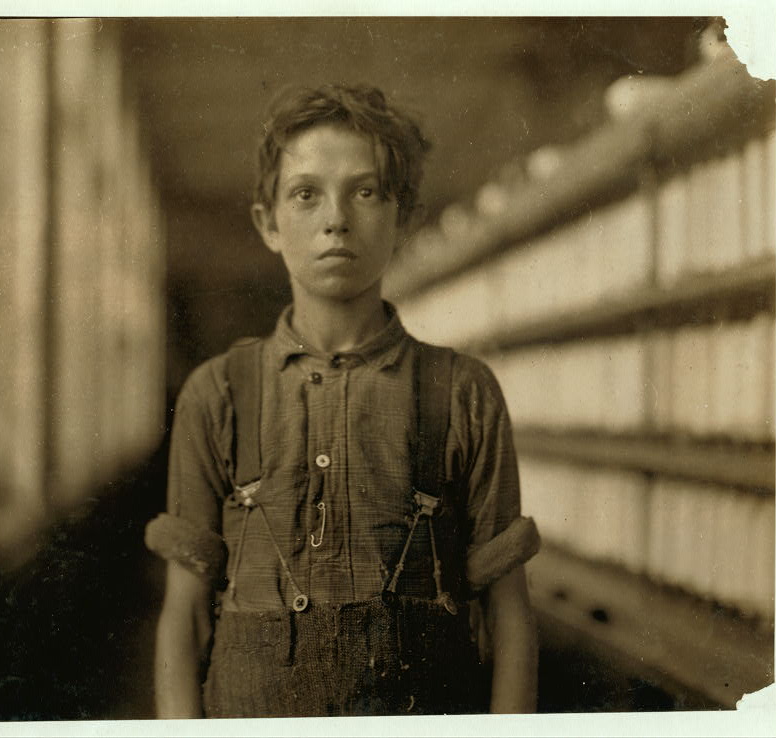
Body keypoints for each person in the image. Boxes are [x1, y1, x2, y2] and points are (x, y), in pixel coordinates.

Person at [146, 83, 539, 718]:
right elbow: (184, 617)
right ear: (269, 223)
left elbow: (509, 617)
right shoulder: (218, 393)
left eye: (365, 191)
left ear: (403, 218)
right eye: (306, 194)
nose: (336, 219)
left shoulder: (461, 392)